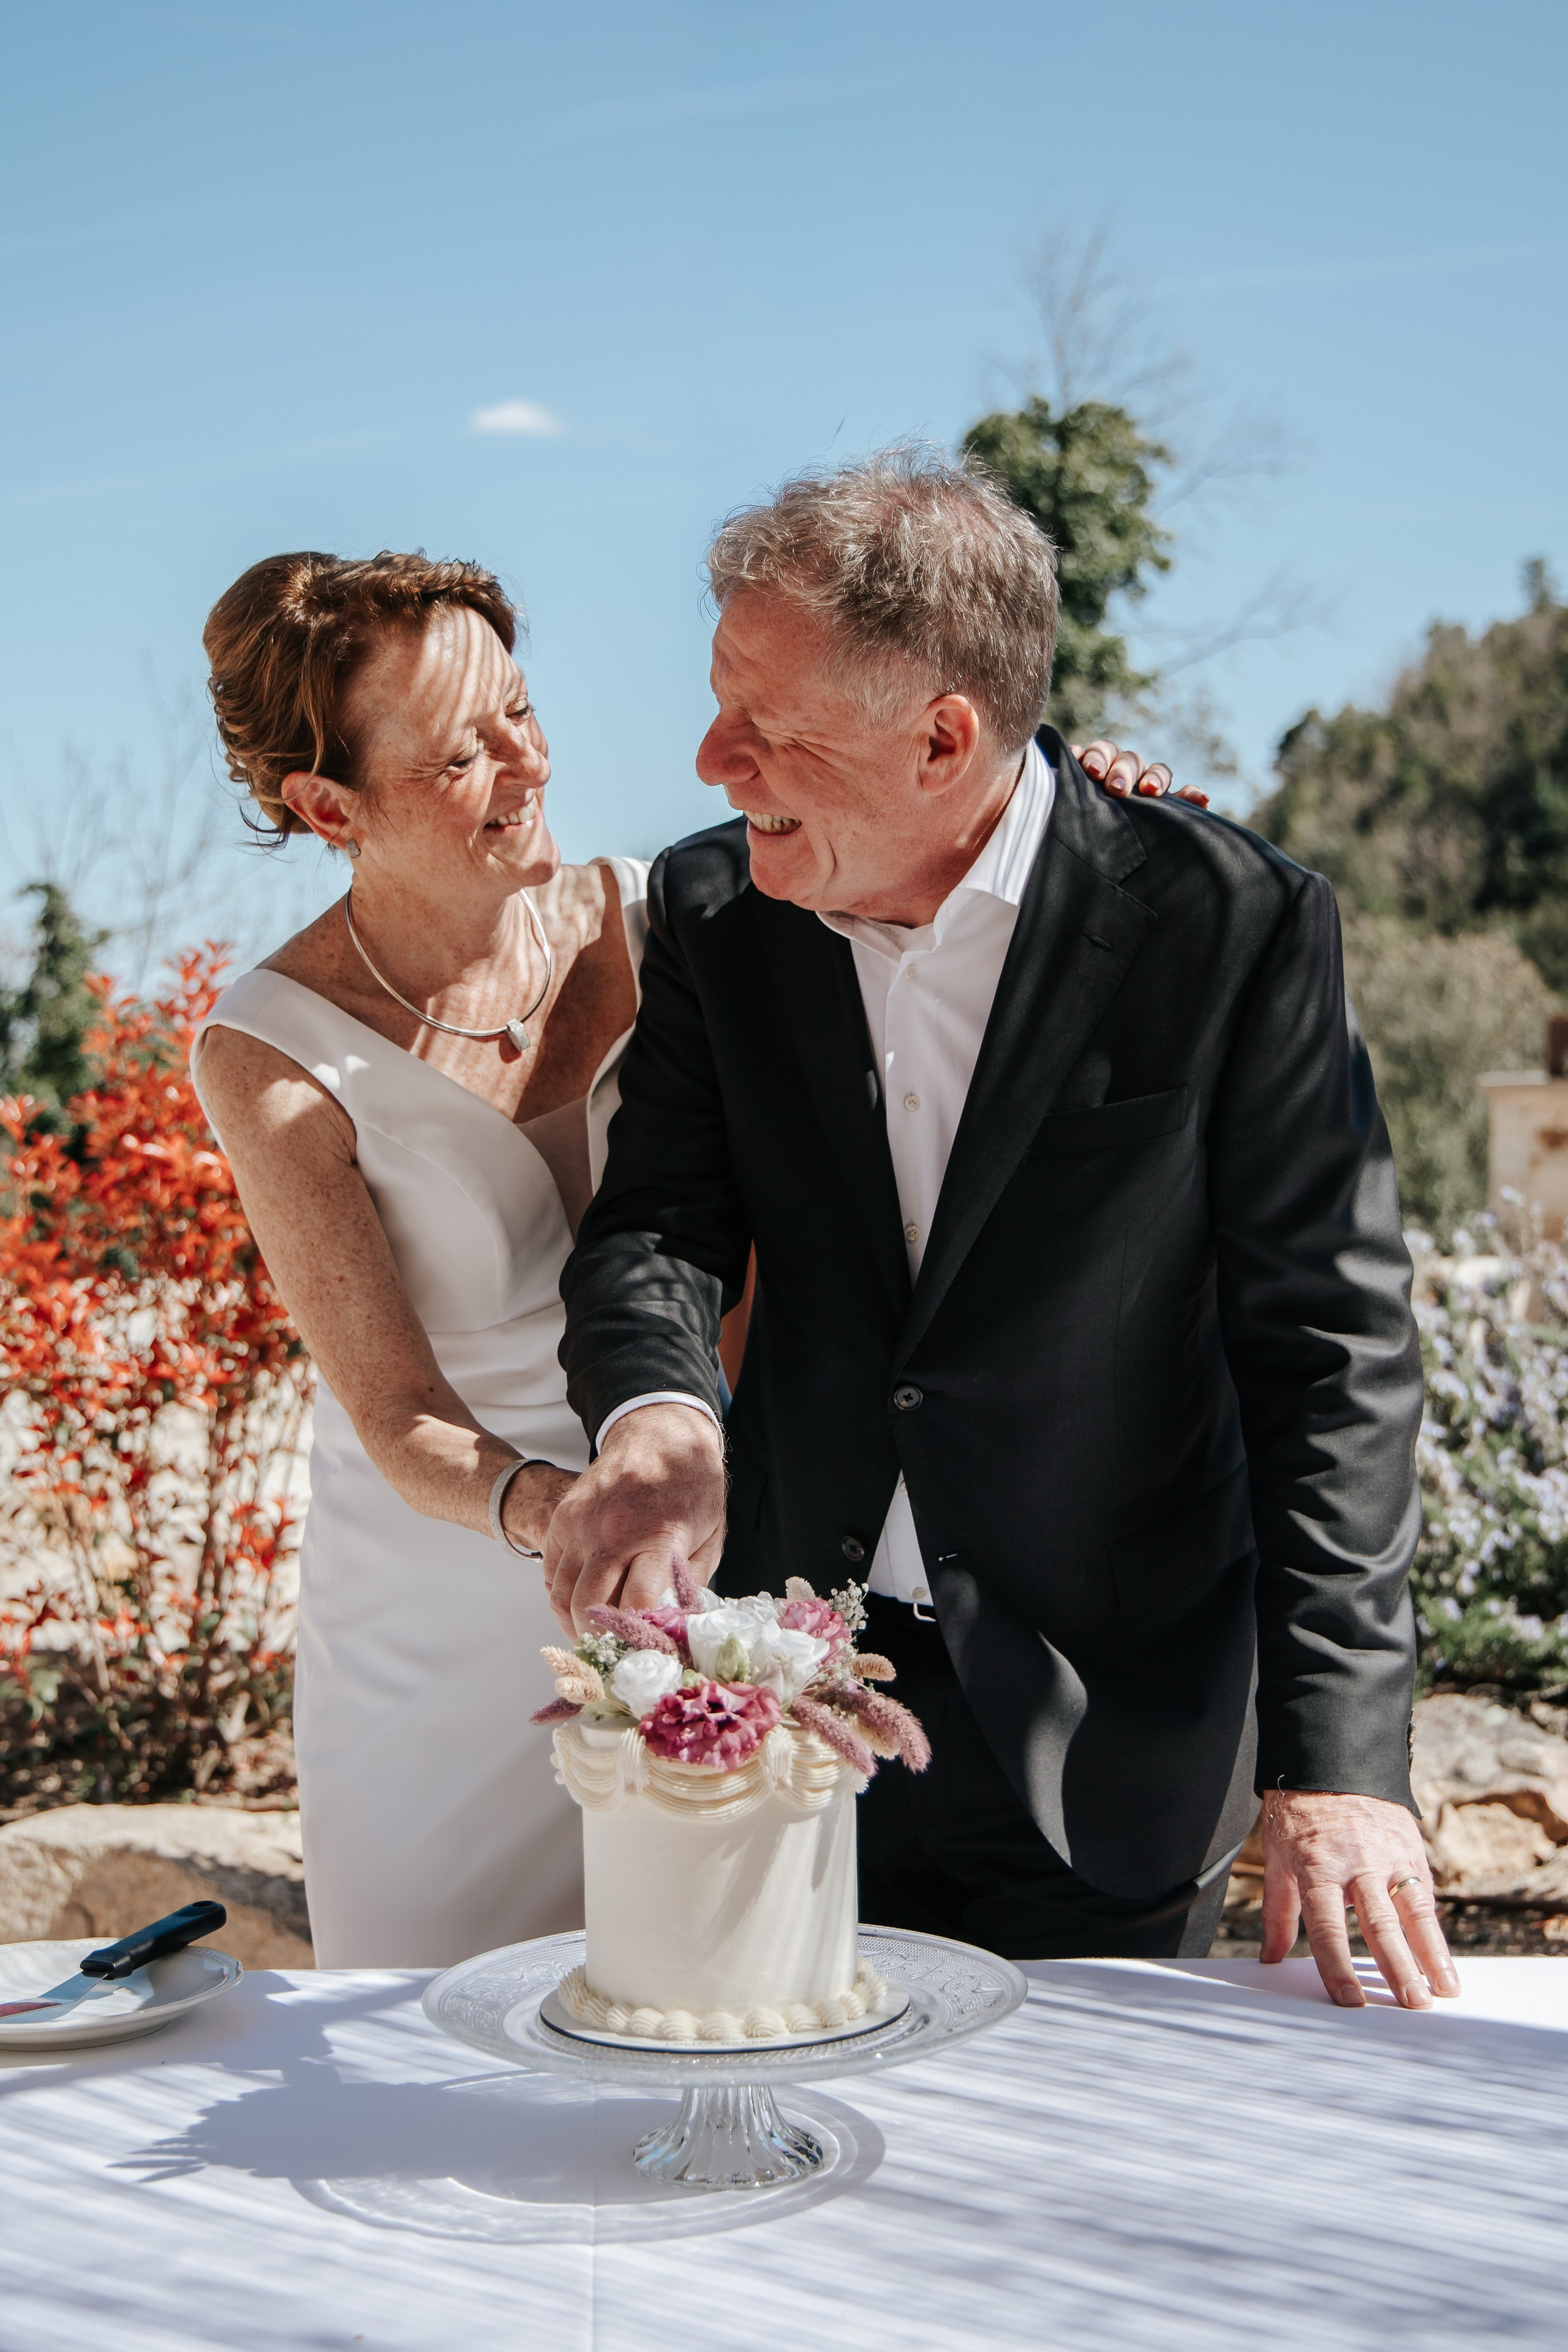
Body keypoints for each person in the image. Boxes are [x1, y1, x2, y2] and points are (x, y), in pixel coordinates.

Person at [549, 448, 1460, 2010]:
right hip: (789, 1701)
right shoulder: (711, 916)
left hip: (1114, 1737)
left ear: (943, 738)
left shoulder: (1229, 927)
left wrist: (1340, 1762)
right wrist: (651, 1416)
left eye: (765, 727)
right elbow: (658, 1222)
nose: (711, 762)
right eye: (717, 704)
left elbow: (1329, 1356)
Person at [190, 540, 1186, 1966]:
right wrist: (587, 1522)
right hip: (458, 1585)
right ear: (325, 802)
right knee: (441, 2036)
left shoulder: (680, 920)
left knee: (726, 1995)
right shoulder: (269, 1056)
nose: (525, 766)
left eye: (519, 714)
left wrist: (1054, 807)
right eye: (458, 757)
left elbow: (933, 879)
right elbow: (399, 1420)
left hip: (716, 1550)